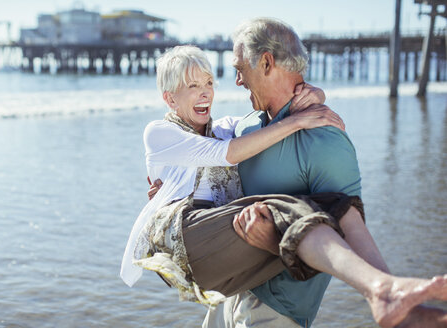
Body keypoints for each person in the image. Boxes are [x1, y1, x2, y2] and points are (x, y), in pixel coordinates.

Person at [120, 45, 447, 328]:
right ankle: (382, 292)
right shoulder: (158, 133)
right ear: (169, 97)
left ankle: (393, 297)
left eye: (208, 83)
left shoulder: (224, 128)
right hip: (184, 238)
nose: (205, 93)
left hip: (216, 243)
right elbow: (229, 155)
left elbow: (267, 117)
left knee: (329, 204)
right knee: (285, 208)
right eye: (192, 86)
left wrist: (313, 96)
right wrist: (300, 121)